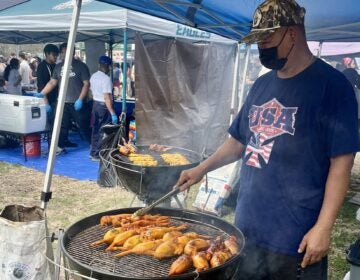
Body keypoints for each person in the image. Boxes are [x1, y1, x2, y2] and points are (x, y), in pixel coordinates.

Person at [176, 0, 359, 279]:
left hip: (296, 236)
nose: (261, 46)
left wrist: (324, 227)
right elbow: (238, 142)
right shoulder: (262, 85)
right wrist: (201, 169)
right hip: (247, 229)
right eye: (258, 39)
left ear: (292, 33)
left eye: (267, 37)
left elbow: (341, 164)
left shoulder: (332, 87)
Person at [37, 43, 92, 152]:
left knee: (83, 125)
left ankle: (94, 145)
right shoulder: (58, 67)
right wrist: (43, 93)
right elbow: (52, 82)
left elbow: (86, 84)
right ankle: (59, 147)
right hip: (62, 102)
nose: (62, 54)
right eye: (62, 52)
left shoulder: (81, 66)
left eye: (65, 52)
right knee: (61, 126)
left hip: (76, 101)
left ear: (72, 52)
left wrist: (80, 99)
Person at [89, 55, 118, 161]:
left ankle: (92, 152)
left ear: (99, 65)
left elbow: (91, 92)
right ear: (108, 66)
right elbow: (106, 97)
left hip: (95, 105)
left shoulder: (93, 76)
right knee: (102, 131)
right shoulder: (106, 79)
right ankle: (97, 154)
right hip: (103, 107)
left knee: (95, 129)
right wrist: (113, 113)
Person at [37, 44, 59, 133]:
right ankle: (52, 145)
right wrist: (46, 103)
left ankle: (61, 141)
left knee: (59, 122)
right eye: (53, 55)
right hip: (48, 99)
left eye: (56, 55)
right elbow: (41, 85)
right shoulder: (42, 66)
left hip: (56, 98)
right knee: (51, 124)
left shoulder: (56, 66)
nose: (55, 57)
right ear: (47, 54)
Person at [342, 57, 360, 138]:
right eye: (353, 63)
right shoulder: (353, 71)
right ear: (348, 64)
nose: (355, 65)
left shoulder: (342, 72)